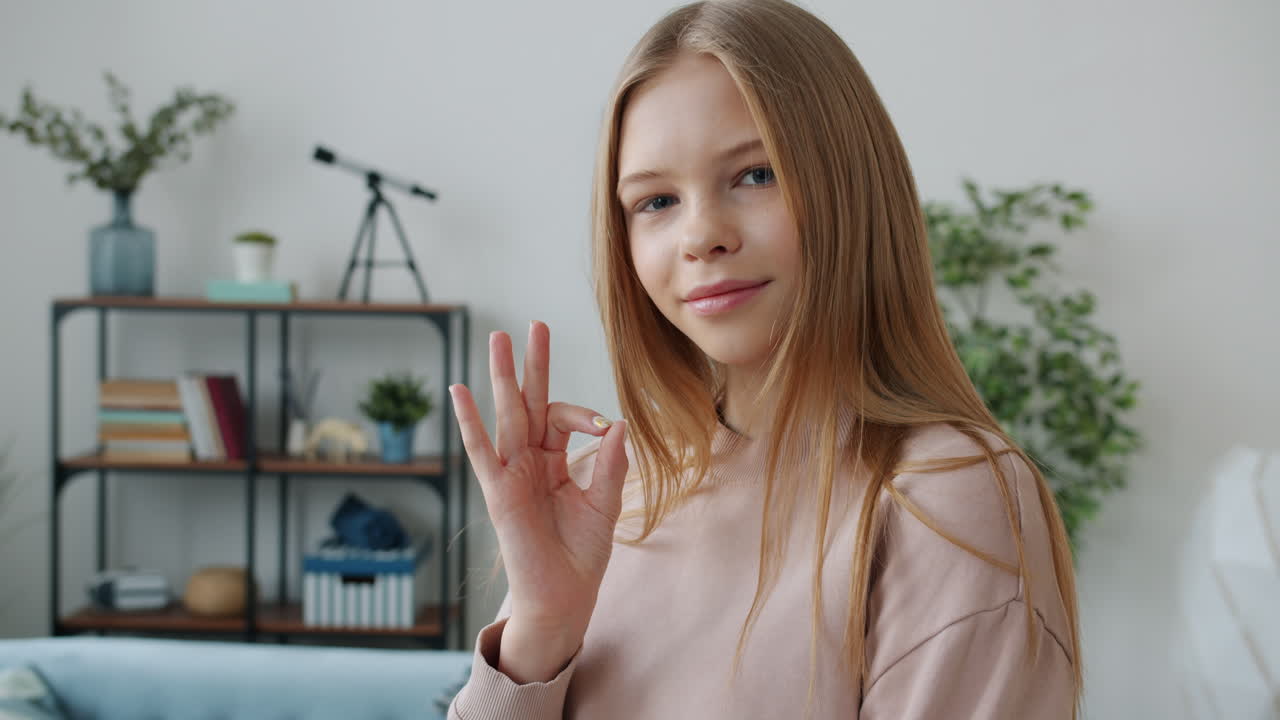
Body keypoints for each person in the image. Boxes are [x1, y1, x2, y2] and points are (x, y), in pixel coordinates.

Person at [445, 0, 1081, 717]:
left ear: (852, 185)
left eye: (755, 175)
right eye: (655, 201)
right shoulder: (607, 496)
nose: (702, 235)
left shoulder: (943, 498)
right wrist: (541, 629)